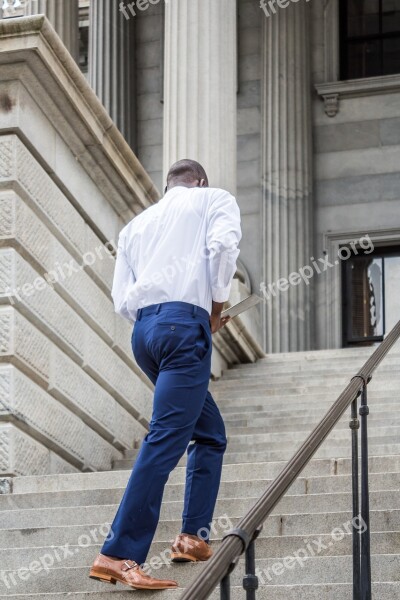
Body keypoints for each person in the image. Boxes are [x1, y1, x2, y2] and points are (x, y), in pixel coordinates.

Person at [89, 159, 242, 590]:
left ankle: (193, 537)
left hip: (146, 333)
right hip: (182, 329)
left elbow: (121, 297)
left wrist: (167, 316)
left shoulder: (137, 224)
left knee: (209, 432)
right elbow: (224, 248)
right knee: (165, 439)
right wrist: (213, 308)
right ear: (201, 182)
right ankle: (118, 553)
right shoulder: (215, 199)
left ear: (168, 186)